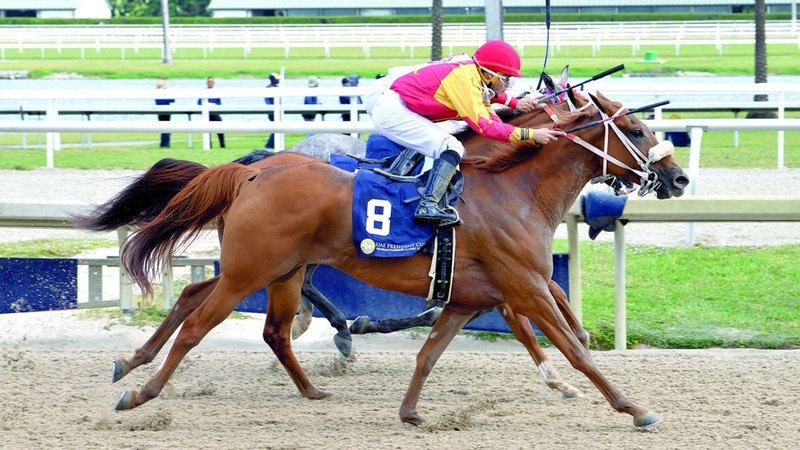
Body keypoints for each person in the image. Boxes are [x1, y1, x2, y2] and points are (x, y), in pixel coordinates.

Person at [364, 40, 563, 225]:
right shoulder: (465, 80)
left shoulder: (472, 75)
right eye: (505, 77)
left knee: (437, 139)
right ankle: (428, 205)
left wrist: (515, 104)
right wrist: (531, 134)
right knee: (452, 147)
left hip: (396, 105)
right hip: (392, 109)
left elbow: (489, 109)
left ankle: (397, 174)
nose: (508, 83)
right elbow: (487, 128)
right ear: (488, 73)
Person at [197, 76, 225, 148]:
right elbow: (199, 103)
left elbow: (219, 103)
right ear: (207, 83)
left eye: (212, 82)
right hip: (206, 114)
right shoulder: (203, 92)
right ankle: (209, 145)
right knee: (207, 131)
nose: (210, 83)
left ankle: (222, 145)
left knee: (220, 128)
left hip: (215, 113)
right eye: (209, 81)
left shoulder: (216, 92)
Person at [154, 78, 175, 148]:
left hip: (159, 111)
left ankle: (163, 143)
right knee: (167, 128)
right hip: (166, 111)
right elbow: (172, 100)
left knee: (163, 128)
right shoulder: (165, 92)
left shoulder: (156, 92)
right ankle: (166, 144)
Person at [264, 72, 280, 149]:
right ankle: (269, 144)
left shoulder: (275, 87)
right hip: (272, 111)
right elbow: (267, 101)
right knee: (276, 128)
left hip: (275, 110)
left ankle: (272, 144)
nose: (278, 80)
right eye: (277, 79)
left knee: (276, 128)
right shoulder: (270, 88)